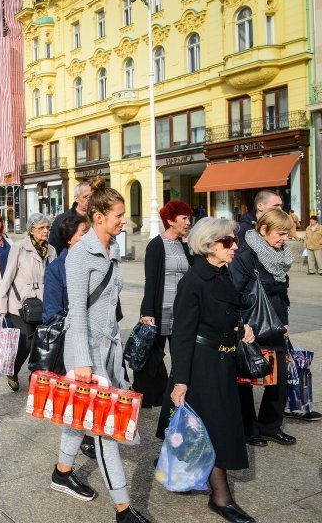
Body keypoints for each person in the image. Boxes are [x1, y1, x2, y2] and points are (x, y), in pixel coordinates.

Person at [51, 177, 150, 523]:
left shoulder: (112, 249)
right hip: (85, 352)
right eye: (119, 215)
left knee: (79, 416)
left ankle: (62, 471)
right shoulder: (80, 255)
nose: (125, 220)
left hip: (108, 348)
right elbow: (76, 310)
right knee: (105, 429)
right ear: (99, 217)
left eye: (124, 214)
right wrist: (81, 361)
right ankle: (123, 508)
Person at [157, 217, 255, 523]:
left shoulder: (222, 274)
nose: (235, 246)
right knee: (214, 429)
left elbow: (224, 315)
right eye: (228, 242)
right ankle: (221, 498)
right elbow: (183, 334)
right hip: (201, 366)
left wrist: (241, 328)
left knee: (212, 427)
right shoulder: (194, 281)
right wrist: (181, 380)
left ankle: (192, 476)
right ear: (210, 245)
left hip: (223, 362)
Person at [230, 208, 296, 447]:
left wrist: (285, 319)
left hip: (276, 324)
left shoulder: (281, 257)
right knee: (247, 377)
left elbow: (283, 293)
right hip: (253, 325)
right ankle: (249, 428)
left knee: (279, 379)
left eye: (287, 234)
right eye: (280, 233)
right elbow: (235, 293)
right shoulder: (246, 255)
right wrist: (241, 325)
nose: (284, 239)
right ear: (264, 230)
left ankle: (271, 426)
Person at [42, 213, 93, 459]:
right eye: (84, 233)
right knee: (76, 395)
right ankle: (76, 443)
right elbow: (51, 311)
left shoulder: (95, 261)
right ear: (70, 240)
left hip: (96, 337)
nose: (89, 237)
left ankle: (88, 432)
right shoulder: (55, 269)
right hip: (71, 339)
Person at [136, 200, 194, 408]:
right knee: (152, 354)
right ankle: (145, 395)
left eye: (189, 218)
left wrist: (189, 245)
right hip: (160, 310)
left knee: (180, 353)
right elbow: (150, 281)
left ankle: (177, 393)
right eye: (184, 218)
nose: (188, 222)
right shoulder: (156, 245)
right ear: (170, 220)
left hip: (181, 311)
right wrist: (147, 311)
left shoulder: (185, 244)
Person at [0, 213, 55, 391]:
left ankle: (35, 377)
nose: (46, 231)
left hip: (44, 304)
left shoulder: (51, 250)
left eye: (47, 227)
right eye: (41, 228)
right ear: (31, 230)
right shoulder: (19, 248)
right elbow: (7, 276)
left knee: (41, 342)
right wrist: (1, 304)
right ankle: (13, 370)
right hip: (20, 304)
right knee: (26, 341)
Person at [48, 181, 91, 254]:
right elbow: (53, 247)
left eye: (92, 196)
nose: (89, 200)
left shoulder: (98, 217)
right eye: (85, 197)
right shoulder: (62, 220)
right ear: (76, 199)